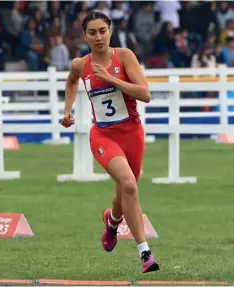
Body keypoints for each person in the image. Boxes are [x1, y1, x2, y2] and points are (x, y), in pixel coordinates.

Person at [60, 11, 159, 273]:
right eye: (92, 32)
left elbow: (145, 94)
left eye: (102, 30)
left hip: (132, 133)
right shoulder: (80, 64)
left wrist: (112, 79)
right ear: (84, 36)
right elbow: (71, 82)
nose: (98, 37)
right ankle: (145, 253)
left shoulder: (125, 56)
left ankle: (112, 221)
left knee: (125, 189)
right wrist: (68, 110)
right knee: (127, 184)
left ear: (110, 31)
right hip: (103, 135)